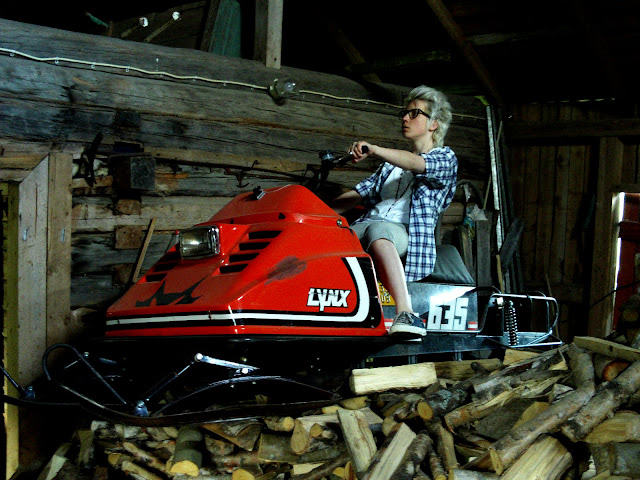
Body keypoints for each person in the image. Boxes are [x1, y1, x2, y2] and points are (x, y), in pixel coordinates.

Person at [331, 85, 457, 337]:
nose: (405, 118)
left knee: (380, 232)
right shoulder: (390, 167)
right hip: (369, 224)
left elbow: (417, 163)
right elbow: (359, 193)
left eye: (414, 113)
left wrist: (375, 150)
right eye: (405, 113)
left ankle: (406, 313)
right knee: (330, 239)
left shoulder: (445, 158)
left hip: (405, 233)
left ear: (434, 124)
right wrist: (314, 211)